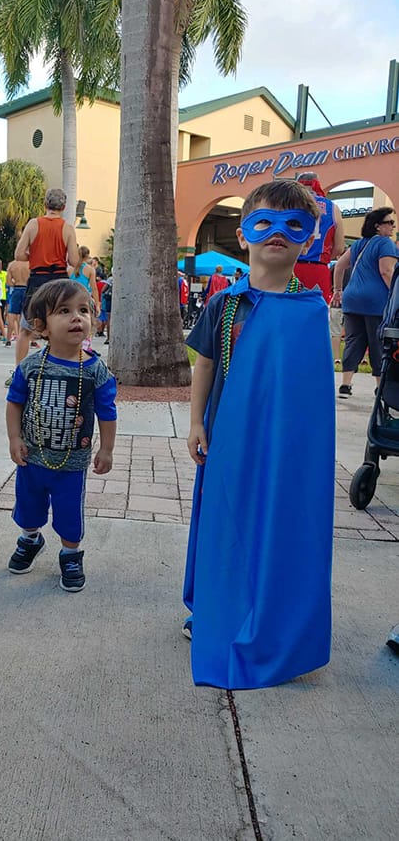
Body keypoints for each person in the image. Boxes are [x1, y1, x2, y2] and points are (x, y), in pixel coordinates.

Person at [183, 179, 335, 689]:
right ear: (243, 234)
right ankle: (214, 605)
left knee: (277, 519)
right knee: (223, 516)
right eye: (264, 222)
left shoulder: (311, 309)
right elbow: (205, 364)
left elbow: (311, 392)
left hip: (283, 444)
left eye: (294, 225)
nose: (277, 233)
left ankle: (275, 614)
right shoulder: (224, 304)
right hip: (227, 434)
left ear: (309, 239)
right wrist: (196, 421)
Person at [5, 279, 117, 592]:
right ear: (42, 325)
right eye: (64, 311)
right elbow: (14, 403)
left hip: (72, 462)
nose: (76, 317)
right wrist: (14, 438)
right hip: (32, 457)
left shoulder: (95, 370)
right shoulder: (30, 366)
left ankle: (70, 555)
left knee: (69, 513)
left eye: (83, 310)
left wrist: (106, 449)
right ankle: (30, 539)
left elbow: (107, 413)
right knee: (28, 507)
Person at [6, 188, 79, 385]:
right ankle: (60, 370)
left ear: (45, 204)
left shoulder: (33, 224)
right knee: (59, 327)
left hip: (37, 279)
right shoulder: (67, 228)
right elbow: (73, 260)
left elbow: (18, 254)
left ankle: (19, 374)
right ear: (64, 207)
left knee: (26, 329)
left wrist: (35, 255)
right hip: (59, 281)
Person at [333, 207, 399, 396]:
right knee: (377, 342)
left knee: (353, 341)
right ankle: (379, 386)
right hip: (375, 301)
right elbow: (386, 271)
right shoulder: (385, 243)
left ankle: (345, 384)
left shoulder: (358, 244)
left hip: (352, 299)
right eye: (389, 222)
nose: (393, 226)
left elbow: (339, 266)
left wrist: (337, 290)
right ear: (378, 226)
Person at [295, 171, 345, 301]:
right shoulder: (332, 207)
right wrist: (324, 256)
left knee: (287, 308)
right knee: (317, 308)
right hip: (318, 268)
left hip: (291, 266)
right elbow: (339, 247)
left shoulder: (290, 204)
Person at [5, 258, 30, 347]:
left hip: (17, 289)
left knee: (12, 315)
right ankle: (30, 339)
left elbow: (8, 281)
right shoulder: (30, 264)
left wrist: (14, 284)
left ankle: (8, 339)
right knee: (27, 314)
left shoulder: (12, 265)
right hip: (27, 289)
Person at [68, 245, 100, 314]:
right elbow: (94, 288)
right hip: (84, 297)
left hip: (71, 297)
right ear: (87, 256)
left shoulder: (70, 269)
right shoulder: (90, 269)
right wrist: (97, 304)